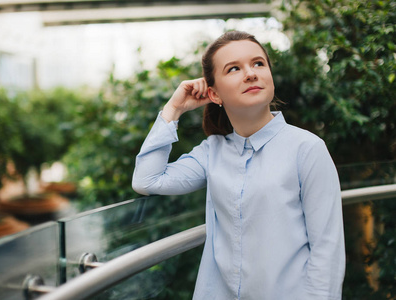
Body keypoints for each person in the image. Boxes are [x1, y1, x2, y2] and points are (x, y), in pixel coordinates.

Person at [132, 30, 345, 300]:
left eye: (258, 63)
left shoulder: (307, 149)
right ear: (214, 94)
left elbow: (327, 250)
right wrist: (173, 109)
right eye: (234, 68)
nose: (251, 73)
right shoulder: (212, 152)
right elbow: (147, 180)